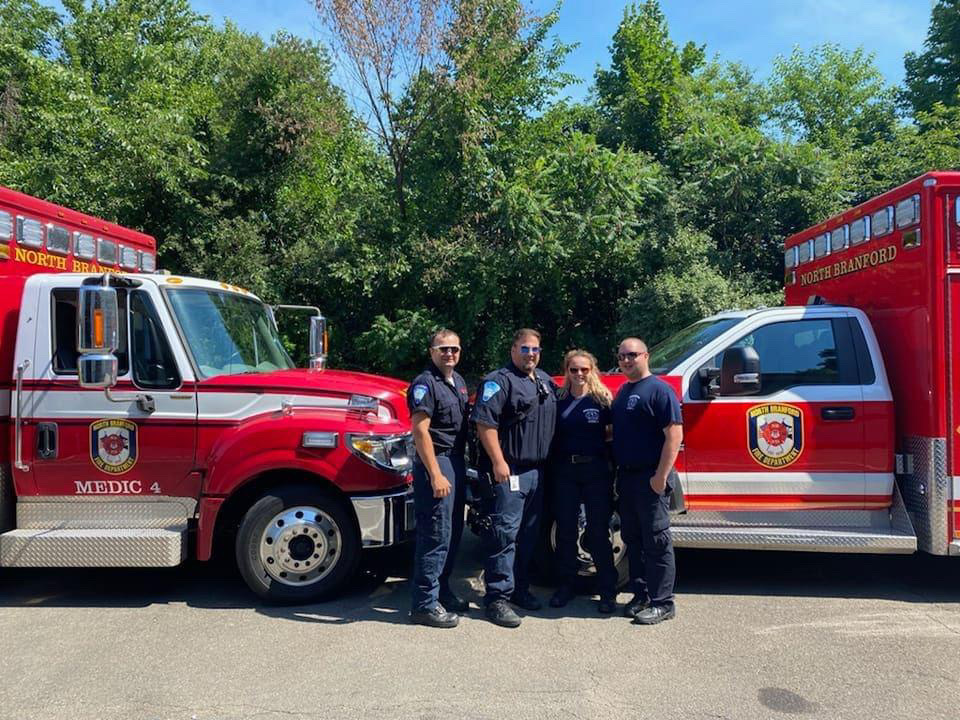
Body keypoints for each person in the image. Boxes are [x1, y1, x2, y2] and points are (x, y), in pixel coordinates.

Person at [472, 328, 558, 628]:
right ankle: (497, 598)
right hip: (509, 472)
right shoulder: (499, 381)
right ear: (513, 350)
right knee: (503, 536)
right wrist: (498, 462)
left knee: (528, 536)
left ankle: (519, 589)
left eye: (535, 349)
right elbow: (485, 424)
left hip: (537, 473)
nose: (530, 354)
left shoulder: (545, 381)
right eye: (525, 349)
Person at [611, 337, 683, 625]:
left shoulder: (660, 390)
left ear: (646, 356)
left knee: (657, 541)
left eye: (632, 355)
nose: (626, 361)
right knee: (633, 539)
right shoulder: (624, 391)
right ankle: (640, 595)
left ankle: (663, 602)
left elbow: (674, 436)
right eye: (621, 357)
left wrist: (660, 477)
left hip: (650, 477)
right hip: (627, 477)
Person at [407, 329, 470, 628]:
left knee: (453, 532)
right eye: (443, 349)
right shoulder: (424, 384)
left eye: (454, 349)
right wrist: (435, 473)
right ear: (431, 351)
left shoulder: (457, 382)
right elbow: (420, 431)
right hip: (438, 462)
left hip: (456, 462)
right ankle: (423, 604)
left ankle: (442, 591)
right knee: (435, 535)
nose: (449, 354)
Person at [548, 350, 617, 614]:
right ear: (566, 371)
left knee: (598, 533)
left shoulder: (602, 400)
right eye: (574, 370)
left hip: (595, 472)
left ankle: (607, 591)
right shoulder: (559, 400)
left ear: (592, 371)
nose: (579, 375)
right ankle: (565, 587)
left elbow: (611, 434)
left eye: (584, 370)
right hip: (565, 471)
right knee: (565, 531)